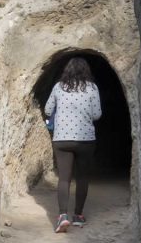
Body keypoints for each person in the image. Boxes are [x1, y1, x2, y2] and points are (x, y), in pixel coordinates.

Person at [43, 57, 101, 233]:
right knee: (82, 177)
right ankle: (78, 216)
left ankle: (62, 216)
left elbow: (47, 110)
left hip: (62, 139)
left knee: (64, 178)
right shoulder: (92, 88)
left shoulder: (59, 87)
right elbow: (97, 114)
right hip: (85, 139)